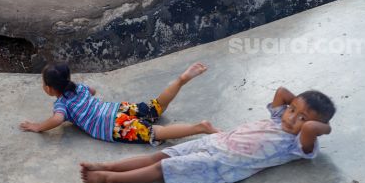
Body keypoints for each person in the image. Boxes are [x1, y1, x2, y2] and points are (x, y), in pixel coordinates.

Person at [80, 87, 335, 183]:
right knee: (158, 156)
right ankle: (109, 166)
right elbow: (281, 92)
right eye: (292, 110)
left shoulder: (298, 144)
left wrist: (316, 122)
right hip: (217, 142)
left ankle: (110, 179)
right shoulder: (280, 116)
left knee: (161, 169)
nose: (292, 118)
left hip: (222, 165)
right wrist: (297, 105)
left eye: (301, 118)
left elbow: (313, 127)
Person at [20, 62, 218, 144]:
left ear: (50, 89)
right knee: (154, 107)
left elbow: (57, 120)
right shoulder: (78, 87)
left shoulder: (61, 104)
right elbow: (93, 91)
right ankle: (181, 80)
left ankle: (200, 128)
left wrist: (38, 126)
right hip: (115, 108)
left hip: (113, 126)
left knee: (155, 132)